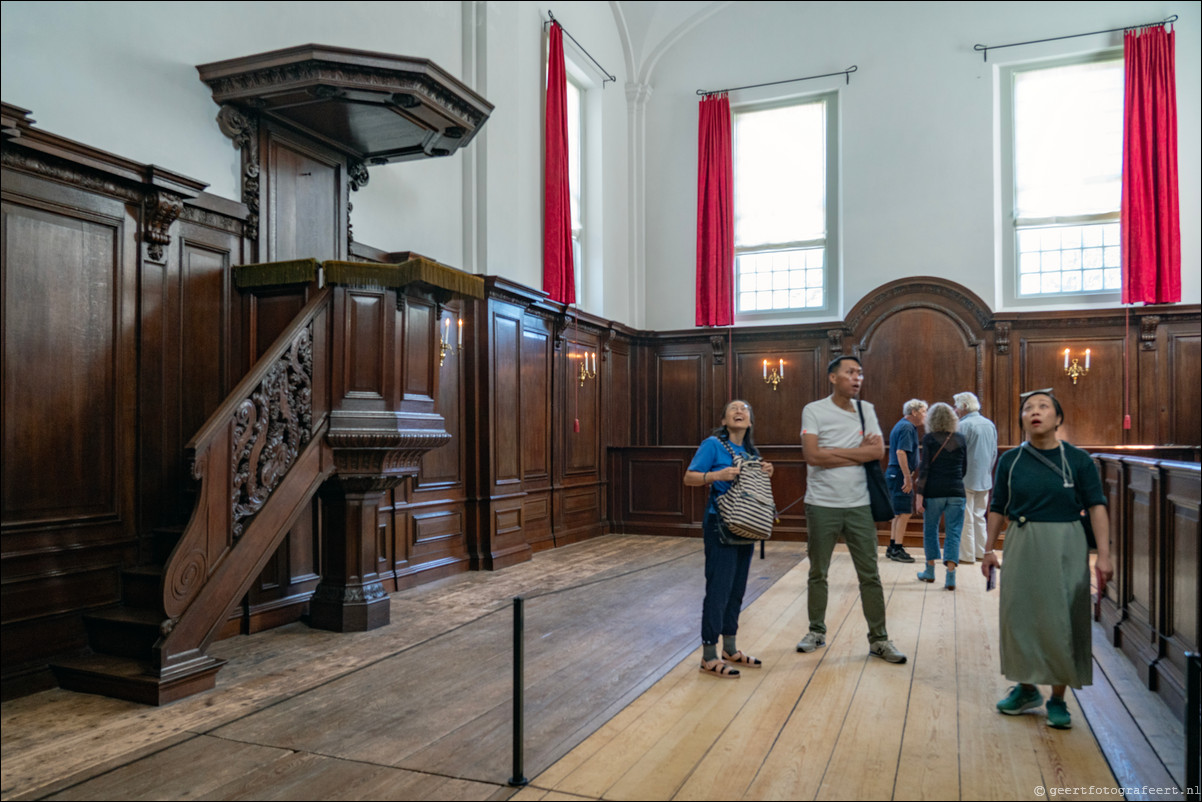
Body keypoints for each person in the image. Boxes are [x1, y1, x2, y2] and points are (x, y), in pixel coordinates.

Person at [980, 389, 1112, 730]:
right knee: (1019, 615)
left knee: (1062, 618)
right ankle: (1025, 689)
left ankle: (1057, 698)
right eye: (1028, 408)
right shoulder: (1010, 461)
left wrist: (1104, 555)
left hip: (1067, 542)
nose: (1035, 412)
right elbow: (997, 507)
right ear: (1022, 418)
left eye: (1043, 407)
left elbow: (1097, 506)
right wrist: (988, 548)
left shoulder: (1079, 460)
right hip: (1022, 542)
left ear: (1058, 419)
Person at [796, 356, 907, 663]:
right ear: (833, 377)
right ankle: (816, 631)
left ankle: (879, 639)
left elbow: (876, 451)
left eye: (859, 373)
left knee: (870, 574)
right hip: (821, 503)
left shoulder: (865, 410)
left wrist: (833, 452)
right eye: (850, 372)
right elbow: (812, 456)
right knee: (818, 572)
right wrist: (857, 454)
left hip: (859, 505)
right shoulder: (814, 410)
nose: (857, 378)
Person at [684, 400, 775, 677]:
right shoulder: (712, 445)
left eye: (745, 409)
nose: (740, 412)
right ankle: (709, 655)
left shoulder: (749, 451)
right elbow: (689, 477)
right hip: (720, 524)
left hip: (746, 526)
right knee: (719, 590)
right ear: (724, 420)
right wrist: (715, 475)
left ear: (750, 421)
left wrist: (766, 472)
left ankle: (730, 649)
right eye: (734, 409)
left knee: (736, 590)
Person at [913, 402, 967, 590]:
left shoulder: (929, 439)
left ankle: (929, 570)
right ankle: (950, 576)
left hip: (934, 491)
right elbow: (964, 469)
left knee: (931, 529)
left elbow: (925, 468)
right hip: (956, 491)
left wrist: (919, 495)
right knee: (953, 531)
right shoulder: (960, 438)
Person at [954, 391, 998, 563]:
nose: (955, 410)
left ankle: (966, 555)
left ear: (964, 406)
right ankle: (980, 552)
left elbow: (957, 454)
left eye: (956, 406)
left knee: (966, 518)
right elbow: (994, 452)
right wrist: (987, 471)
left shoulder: (964, 426)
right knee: (980, 517)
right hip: (985, 478)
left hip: (965, 478)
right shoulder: (989, 424)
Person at [885, 399, 927, 563]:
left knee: (899, 513)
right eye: (923, 411)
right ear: (914, 412)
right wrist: (907, 477)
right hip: (900, 474)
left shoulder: (903, 425)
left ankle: (893, 546)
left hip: (895, 474)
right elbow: (901, 452)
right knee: (905, 512)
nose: (925, 415)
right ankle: (897, 549)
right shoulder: (907, 427)